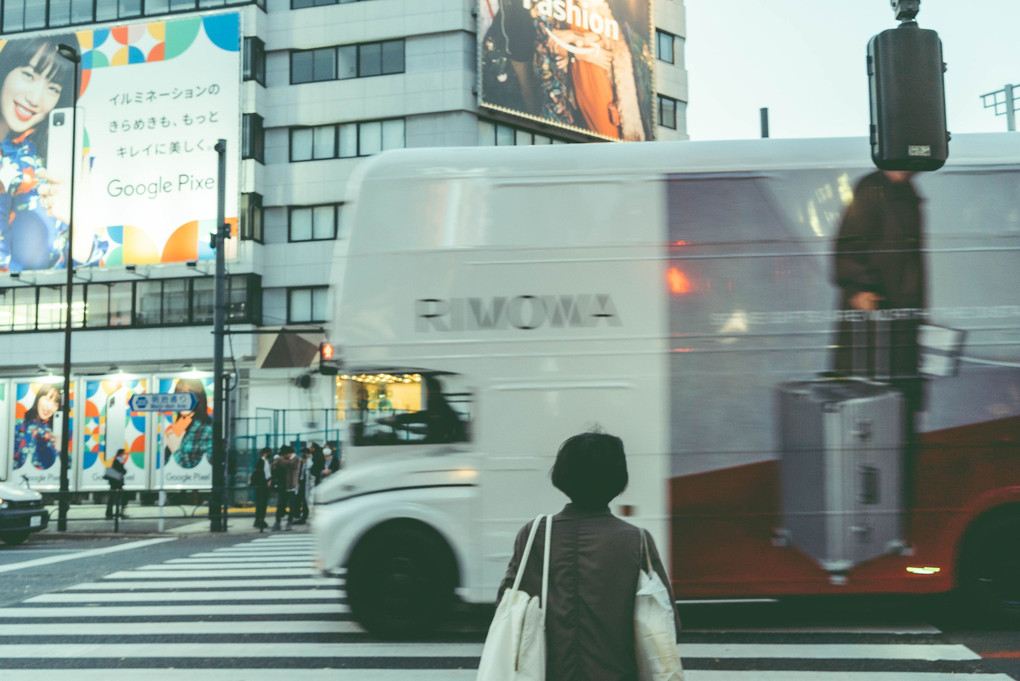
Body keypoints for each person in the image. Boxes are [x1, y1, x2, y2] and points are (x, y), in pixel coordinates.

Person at [496, 430, 681, 681]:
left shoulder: (534, 534)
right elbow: (668, 623)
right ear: (618, 481)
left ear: (562, 476)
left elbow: (507, 605)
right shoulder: (636, 541)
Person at [0, 34, 78, 272]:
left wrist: (79, 220)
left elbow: (88, 271)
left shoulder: (54, 166)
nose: (34, 99)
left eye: (52, 88)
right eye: (28, 75)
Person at [163, 378, 213, 468]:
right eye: (178, 396)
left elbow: (207, 465)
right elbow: (164, 460)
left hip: (195, 479)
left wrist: (175, 449)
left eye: (186, 396)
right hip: (170, 478)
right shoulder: (181, 424)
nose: (182, 402)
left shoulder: (207, 430)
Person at [13, 384, 61, 470]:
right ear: (38, 398)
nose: (49, 407)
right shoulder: (19, 426)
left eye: (55, 403)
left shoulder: (57, 433)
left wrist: (60, 449)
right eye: (47, 399)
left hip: (48, 479)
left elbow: (68, 468)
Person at [271, 445, 301, 531]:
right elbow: (274, 467)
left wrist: (278, 460)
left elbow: (289, 465)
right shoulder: (283, 460)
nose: (283, 456)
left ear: (289, 453)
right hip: (282, 486)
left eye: (284, 455)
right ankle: (277, 522)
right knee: (280, 505)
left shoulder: (296, 459)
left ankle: (289, 522)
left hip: (292, 486)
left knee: (292, 506)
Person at [250, 447, 273, 531]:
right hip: (262, 485)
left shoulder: (265, 461)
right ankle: (259, 520)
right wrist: (266, 481)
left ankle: (260, 520)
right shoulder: (261, 461)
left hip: (264, 484)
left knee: (262, 503)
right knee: (261, 503)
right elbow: (261, 473)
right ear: (265, 453)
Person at [104, 448, 128, 519]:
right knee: (115, 498)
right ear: (120, 454)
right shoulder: (117, 461)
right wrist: (124, 470)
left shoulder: (118, 461)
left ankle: (113, 513)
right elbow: (122, 471)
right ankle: (114, 513)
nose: (124, 455)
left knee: (115, 498)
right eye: (123, 453)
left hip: (115, 483)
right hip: (116, 483)